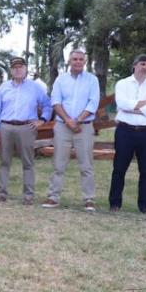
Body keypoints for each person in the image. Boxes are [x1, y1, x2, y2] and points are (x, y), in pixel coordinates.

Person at [42, 49, 101, 212]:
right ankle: (53, 197)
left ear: (85, 62)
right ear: (69, 61)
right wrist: (68, 120)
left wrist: (78, 120)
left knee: (86, 164)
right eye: (74, 59)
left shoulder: (92, 80)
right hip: (62, 126)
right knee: (58, 164)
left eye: (81, 59)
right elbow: (55, 101)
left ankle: (89, 199)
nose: (77, 62)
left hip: (85, 126)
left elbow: (93, 103)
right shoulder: (61, 80)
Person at [0, 56, 52, 205]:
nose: (17, 70)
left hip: (26, 128)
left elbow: (47, 104)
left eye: (20, 67)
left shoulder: (35, 87)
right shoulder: (4, 87)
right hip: (6, 127)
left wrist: (42, 120)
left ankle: (28, 196)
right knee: (4, 161)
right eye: (14, 67)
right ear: (11, 70)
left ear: (25, 70)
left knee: (28, 162)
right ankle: (1, 193)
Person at [108, 54, 146, 214]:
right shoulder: (122, 83)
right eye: (142, 64)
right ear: (134, 65)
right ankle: (115, 203)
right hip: (125, 131)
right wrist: (143, 105)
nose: (145, 67)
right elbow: (121, 104)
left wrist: (133, 108)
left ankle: (145, 206)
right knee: (119, 168)